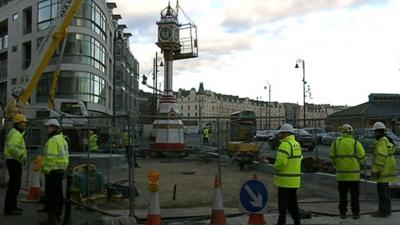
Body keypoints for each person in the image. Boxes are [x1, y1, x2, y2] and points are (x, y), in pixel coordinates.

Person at [329, 124, 366, 219]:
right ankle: (355, 213)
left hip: (341, 176)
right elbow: (363, 158)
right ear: (351, 132)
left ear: (342, 132)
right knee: (354, 196)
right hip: (354, 176)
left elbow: (331, 157)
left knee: (342, 196)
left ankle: (343, 213)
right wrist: (359, 165)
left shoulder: (336, 143)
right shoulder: (355, 143)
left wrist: (337, 165)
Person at [40, 119, 69, 225]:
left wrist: (46, 170)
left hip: (52, 171)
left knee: (52, 195)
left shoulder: (53, 140)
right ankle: (58, 215)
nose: (46, 129)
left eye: (47, 127)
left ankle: (51, 219)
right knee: (59, 194)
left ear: (53, 128)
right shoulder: (62, 139)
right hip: (60, 170)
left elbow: (50, 157)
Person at [274, 123, 302, 225]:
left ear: (286, 133)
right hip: (294, 181)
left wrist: (275, 167)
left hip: (284, 181)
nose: (280, 135)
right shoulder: (296, 144)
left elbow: (281, 163)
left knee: (282, 208)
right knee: (293, 205)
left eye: (281, 133)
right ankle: (297, 222)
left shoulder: (285, 145)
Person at [370, 122, 397, 217]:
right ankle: (387, 210)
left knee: (382, 194)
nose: (374, 134)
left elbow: (380, 158)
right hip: (388, 170)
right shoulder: (388, 140)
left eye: (375, 132)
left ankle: (382, 212)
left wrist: (375, 170)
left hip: (382, 171)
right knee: (386, 193)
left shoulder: (381, 142)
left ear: (379, 132)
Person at [3, 113, 28, 216]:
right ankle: (10, 209)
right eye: (24, 122)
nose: (25, 123)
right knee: (14, 186)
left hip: (13, 161)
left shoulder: (15, 132)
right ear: (18, 123)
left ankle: (12, 207)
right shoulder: (16, 134)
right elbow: (13, 148)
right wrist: (21, 157)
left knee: (14, 185)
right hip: (14, 161)